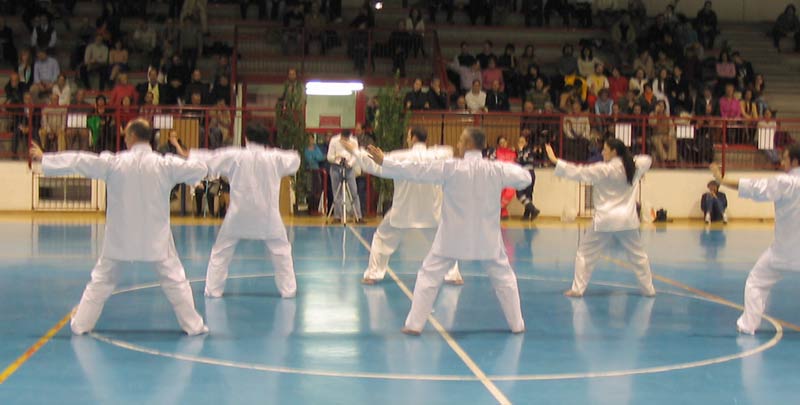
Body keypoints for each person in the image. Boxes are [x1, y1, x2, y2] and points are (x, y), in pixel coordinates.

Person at [30, 119, 208, 336]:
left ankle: (81, 325)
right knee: (176, 282)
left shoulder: (114, 163)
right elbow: (199, 169)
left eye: (125, 135)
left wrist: (45, 158)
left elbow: (79, 161)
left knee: (101, 282)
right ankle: (194, 326)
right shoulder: (165, 164)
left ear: (132, 137)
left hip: (120, 238)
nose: (124, 138)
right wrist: (184, 154)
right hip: (155, 238)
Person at [354, 127, 531, 335]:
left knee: (428, 277)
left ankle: (414, 325)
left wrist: (386, 162)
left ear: (468, 145)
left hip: (452, 239)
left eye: (461, 141)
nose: (458, 144)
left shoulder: (451, 168)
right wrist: (503, 169)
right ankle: (517, 324)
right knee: (505, 279)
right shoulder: (496, 170)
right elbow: (525, 178)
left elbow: (415, 171)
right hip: (488, 239)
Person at [189, 123, 300, 299]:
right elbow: (294, 160)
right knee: (281, 252)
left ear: (246, 138)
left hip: (238, 214)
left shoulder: (235, 156)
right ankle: (289, 290)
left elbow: (209, 158)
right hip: (268, 215)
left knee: (221, 251)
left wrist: (188, 155)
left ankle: (213, 290)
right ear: (266, 140)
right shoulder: (275, 157)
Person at [346, 127, 463, 286]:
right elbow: (448, 151)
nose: (407, 139)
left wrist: (355, 151)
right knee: (444, 242)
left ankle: (373, 274)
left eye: (408, 136)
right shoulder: (440, 155)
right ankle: (452, 275)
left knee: (381, 239)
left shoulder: (398, 157)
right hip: (432, 212)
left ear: (413, 138)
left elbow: (376, 165)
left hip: (403, 212)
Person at [545, 139, 656, 297]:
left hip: (605, 220)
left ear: (614, 152)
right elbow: (647, 159)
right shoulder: (634, 166)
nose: (602, 152)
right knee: (639, 257)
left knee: (584, 254)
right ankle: (649, 289)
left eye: (605, 149)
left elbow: (578, 172)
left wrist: (556, 161)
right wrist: (630, 160)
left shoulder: (603, 169)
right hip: (627, 220)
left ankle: (577, 289)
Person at [710, 145, 800, 334]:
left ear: (794, 161)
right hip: (785, 251)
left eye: (784, 158)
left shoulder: (786, 182)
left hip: (783, 252)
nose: (781, 162)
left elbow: (756, 188)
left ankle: (748, 325)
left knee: (756, 282)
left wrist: (721, 180)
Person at [327, 129, 363, 223]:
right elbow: (329, 157)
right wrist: (336, 158)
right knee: (337, 193)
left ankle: (358, 216)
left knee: (354, 192)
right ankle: (337, 217)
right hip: (335, 168)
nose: (345, 140)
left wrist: (349, 163)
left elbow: (355, 155)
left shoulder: (354, 141)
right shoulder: (334, 140)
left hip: (349, 169)